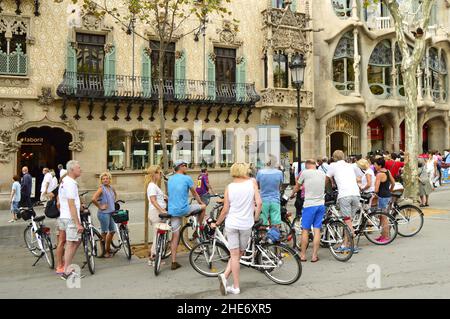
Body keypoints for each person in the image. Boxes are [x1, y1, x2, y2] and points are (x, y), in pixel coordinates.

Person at [212, 163, 262, 295]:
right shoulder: (252, 183)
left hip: (231, 224)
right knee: (240, 253)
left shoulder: (230, 187)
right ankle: (229, 281)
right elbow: (259, 202)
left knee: (234, 255)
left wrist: (217, 223)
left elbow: (225, 209)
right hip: (246, 224)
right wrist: (255, 218)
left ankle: (233, 284)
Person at [167, 160, 206, 270]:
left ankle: (173, 262)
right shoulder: (187, 178)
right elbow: (194, 193)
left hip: (172, 211)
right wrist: (201, 203)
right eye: (185, 165)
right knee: (203, 208)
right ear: (180, 167)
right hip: (184, 209)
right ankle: (197, 230)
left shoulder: (170, 179)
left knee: (175, 236)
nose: (186, 167)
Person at [326, 150, 361, 253]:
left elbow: (326, 179)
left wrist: (327, 189)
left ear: (333, 157)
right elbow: (358, 177)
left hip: (344, 195)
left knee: (347, 221)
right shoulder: (350, 165)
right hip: (356, 194)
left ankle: (352, 242)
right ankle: (345, 244)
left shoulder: (332, 165)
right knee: (349, 220)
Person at [292, 159, 326, 263]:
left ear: (307, 165)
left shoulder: (304, 173)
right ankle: (314, 256)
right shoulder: (322, 173)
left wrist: (292, 193)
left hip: (309, 205)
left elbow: (297, 186)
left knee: (305, 230)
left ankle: (302, 255)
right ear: (315, 165)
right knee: (317, 230)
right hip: (320, 204)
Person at [58, 160, 84, 280]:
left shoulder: (64, 181)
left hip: (64, 216)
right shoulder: (70, 183)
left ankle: (66, 264)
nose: (80, 169)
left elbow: (61, 201)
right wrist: (77, 222)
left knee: (76, 241)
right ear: (72, 170)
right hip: (70, 217)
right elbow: (71, 204)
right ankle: (66, 270)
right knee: (71, 243)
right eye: (78, 168)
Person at [145, 165, 167, 266]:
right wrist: (162, 210)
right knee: (157, 236)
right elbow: (153, 201)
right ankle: (153, 258)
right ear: (154, 174)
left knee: (158, 235)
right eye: (159, 173)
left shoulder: (154, 185)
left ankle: (153, 257)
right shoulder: (152, 186)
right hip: (156, 213)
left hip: (157, 212)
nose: (160, 175)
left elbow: (161, 197)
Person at [92, 172, 117, 258]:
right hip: (103, 214)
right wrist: (100, 206)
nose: (105, 180)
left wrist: (112, 205)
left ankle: (108, 248)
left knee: (112, 231)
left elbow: (114, 197)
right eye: (103, 179)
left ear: (110, 179)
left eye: (107, 178)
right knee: (104, 233)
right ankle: (104, 252)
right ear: (101, 180)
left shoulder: (111, 188)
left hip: (111, 213)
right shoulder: (101, 189)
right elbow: (93, 199)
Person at [256, 155, 283, 228]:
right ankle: (274, 237)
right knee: (276, 223)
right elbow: (280, 185)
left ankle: (262, 237)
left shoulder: (260, 172)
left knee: (262, 223)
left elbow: (257, 185)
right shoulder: (279, 173)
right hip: (275, 200)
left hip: (263, 200)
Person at [374, 158, 396, 244]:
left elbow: (376, 189)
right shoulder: (387, 171)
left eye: (375, 164)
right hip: (388, 196)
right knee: (383, 216)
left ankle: (386, 236)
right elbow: (393, 183)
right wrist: (390, 190)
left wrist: (374, 192)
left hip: (382, 197)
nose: (374, 166)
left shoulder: (379, 174)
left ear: (379, 165)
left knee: (384, 217)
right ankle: (383, 235)